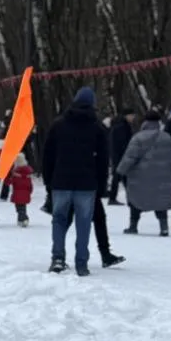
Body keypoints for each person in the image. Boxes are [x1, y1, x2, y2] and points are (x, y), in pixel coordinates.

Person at [42, 86, 109, 274]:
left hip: (61, 180)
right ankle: (81, 262)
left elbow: (48, 155)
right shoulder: (97, 127)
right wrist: (101, 185)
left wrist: (48, 181)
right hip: (86, 182)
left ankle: (57, 257)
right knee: (84, 222)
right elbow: (103, 160)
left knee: (59, 220)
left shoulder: (58, 125)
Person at [118, 110, 171, 235]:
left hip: (140, 176)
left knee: (136, 200)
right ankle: (164, 228)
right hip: (162, 176)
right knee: (161, 202)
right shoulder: (166, 137)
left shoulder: (138, 137)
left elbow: (130, 157)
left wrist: (121, 170)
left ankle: (133, 226)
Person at [108, 109, 136, 204]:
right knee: (120, 177)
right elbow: (123, 143)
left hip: (118, 155)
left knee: (121, 177)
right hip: (120, 155)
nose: (133, 118)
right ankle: (115, 198)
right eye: (131, 115)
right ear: (126, 116)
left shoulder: (121, 125)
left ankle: (127, 197)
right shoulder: (122, 127)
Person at [5, 154, 34, 225]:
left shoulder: (15, 174)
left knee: (19, 208)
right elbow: (30, 185)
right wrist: (30, 192)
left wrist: (6, 177)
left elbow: (8, 182)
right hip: (26, 193)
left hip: (17, 193)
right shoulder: (28, 173)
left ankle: (24, 219)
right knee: (23, 207)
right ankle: (20, 220)